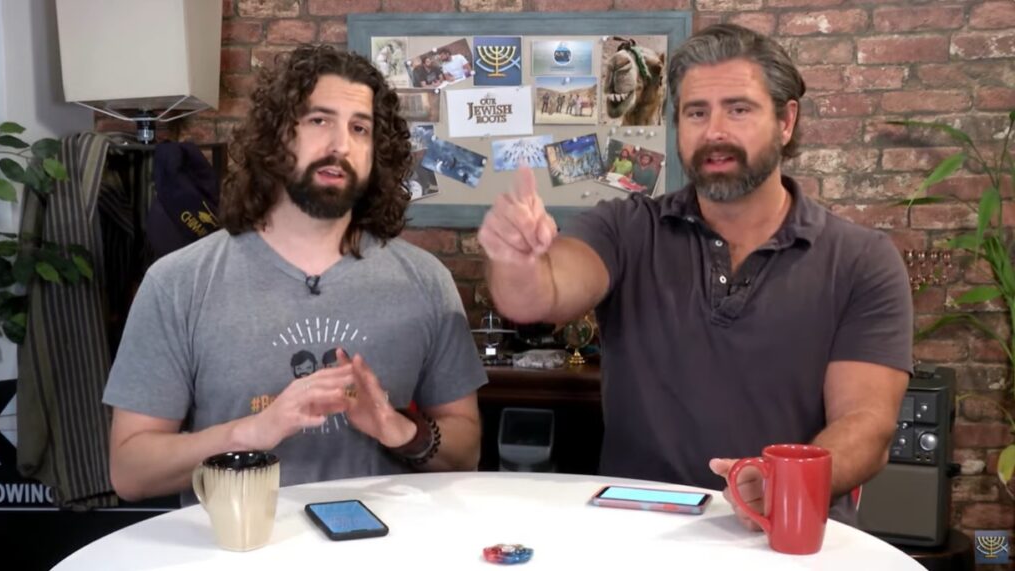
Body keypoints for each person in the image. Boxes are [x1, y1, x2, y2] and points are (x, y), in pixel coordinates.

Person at [477, 23, 911, 528]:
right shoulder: (627, 228)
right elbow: (538, 295)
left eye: (739, 109)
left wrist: (784, 482)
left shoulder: (861, 260)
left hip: (786, 535)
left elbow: (867, 423)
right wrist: (517, 258)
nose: (715, 132)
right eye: (696, 112)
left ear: (786, 121)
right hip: (638, 532)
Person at [104, 45, 487, 504]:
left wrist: (401, 430)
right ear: (276, 137)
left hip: (387, 539)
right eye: (318, 120)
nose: (340, 145)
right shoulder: (177, 284)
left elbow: (467, 451)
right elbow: (131, 471)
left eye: (360, 128)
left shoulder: (426, 282)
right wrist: (250, 432)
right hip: (241, 541)